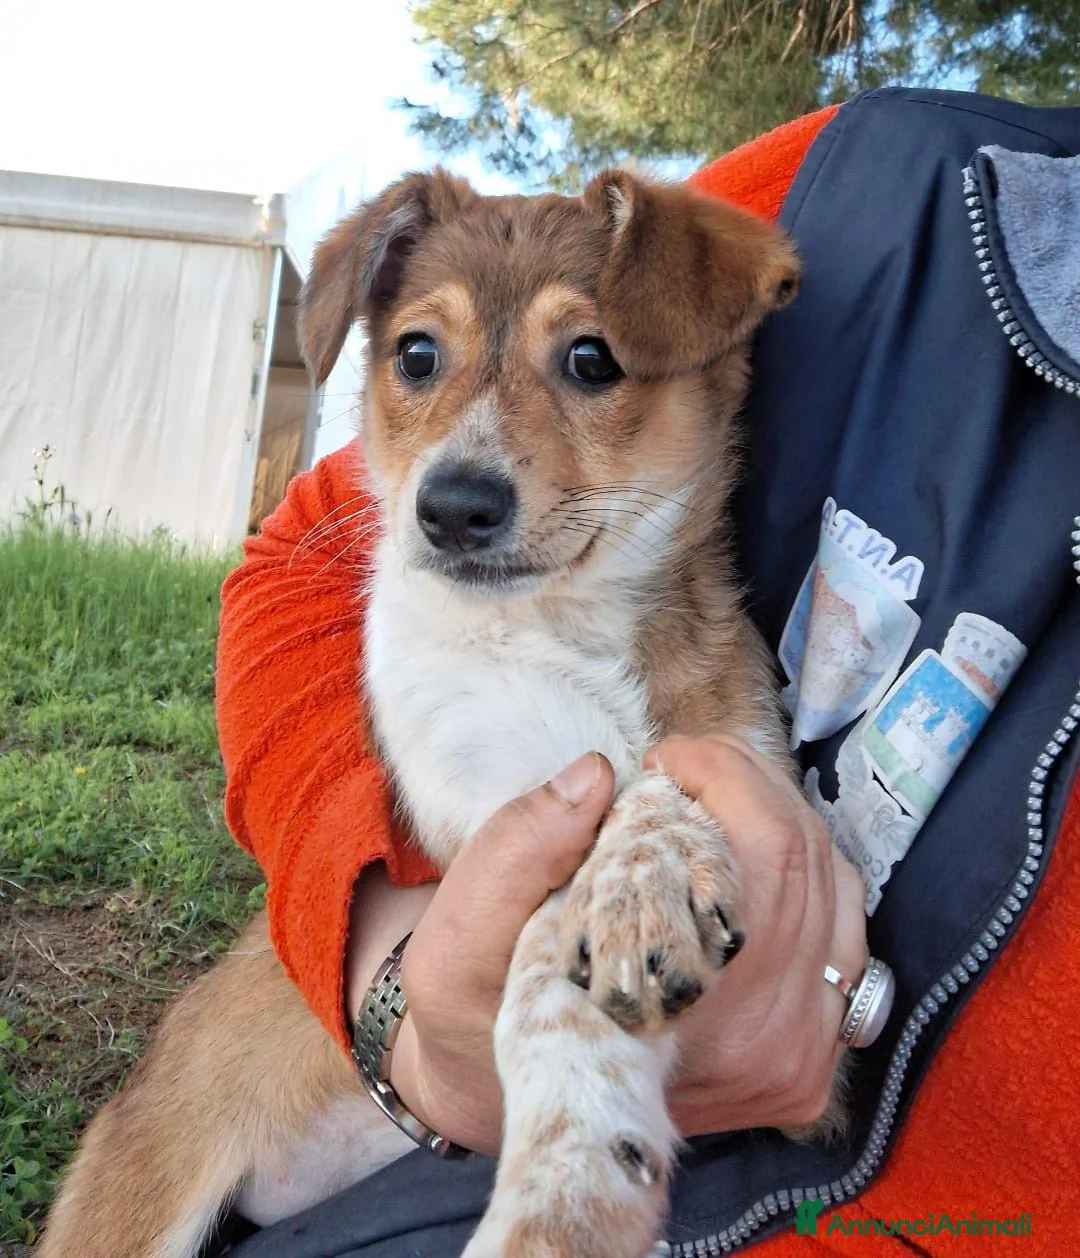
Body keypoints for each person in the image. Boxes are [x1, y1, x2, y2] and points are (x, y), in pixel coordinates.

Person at [215, 88, 1080, 1255]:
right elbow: (289, 566)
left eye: (587, 362)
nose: (471, 461)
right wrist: (387, 964)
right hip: (346, 1092)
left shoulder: (703, 645)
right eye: (420, 357)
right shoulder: (904, 178)